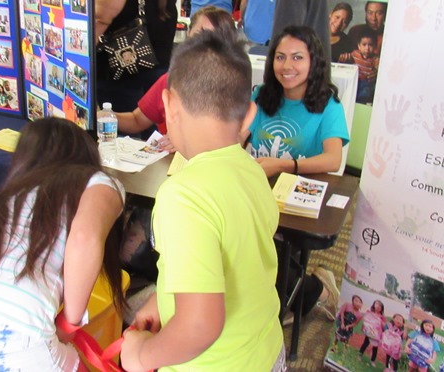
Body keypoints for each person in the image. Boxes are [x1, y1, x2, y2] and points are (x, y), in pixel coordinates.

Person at [120, 30, 286, 371]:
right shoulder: (253, 172)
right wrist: (162, 299)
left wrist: (141, 356)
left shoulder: (182, 196)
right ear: (250, 114)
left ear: (169, 105)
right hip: (266, 352)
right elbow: (236, 263)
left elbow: (200, 326)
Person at [0, 118, 127, 370]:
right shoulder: (98, 182)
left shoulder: (10, 196)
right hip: (18, 337)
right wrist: (69, 323)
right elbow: (84, 238)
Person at [239, 25, 349, 322]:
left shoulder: (328, 104)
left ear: (314, 62)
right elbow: (238, 136)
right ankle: (300, 292)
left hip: (297, 202)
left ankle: (317, 291)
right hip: (257, 191)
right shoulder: (262, 95)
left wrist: (286, 165)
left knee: (257, 251)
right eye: (280, 57)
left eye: (298, 58)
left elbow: (333, 159)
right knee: (238, 240)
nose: (287, 66)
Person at [112, 5, 236, 152]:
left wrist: (187, 139)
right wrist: (104, 116)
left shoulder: (232, 90)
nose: (205, 45)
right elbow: (137, 120)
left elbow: (234, 141)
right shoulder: (170, 81)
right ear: (188, 34)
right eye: (199, 35)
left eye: (215, 40)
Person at [96, 0, 177, 137]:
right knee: (151, 130)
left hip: (121, 72)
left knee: (122, 133)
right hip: (157, 61)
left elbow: (100, 19)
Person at [340, 28, 379, 105]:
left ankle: (360, 100)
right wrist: (344, 58)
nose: (367, 48)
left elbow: (379, 68)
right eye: (364, 45)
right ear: (359, 46)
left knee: (367, 90)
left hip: (367, 83)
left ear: (375, 46)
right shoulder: (355, 54)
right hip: (356, 81)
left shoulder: (374, 58)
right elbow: (347, 59)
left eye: (370, 45)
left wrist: (377, 70)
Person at [358, 299, 387, 367]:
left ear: (382, 308)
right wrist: (363, 327)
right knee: (365, 343)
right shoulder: (370, 312)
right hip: (369, 332)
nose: (378, 306)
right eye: (376, 304)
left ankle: (373, 360)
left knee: (375, 347)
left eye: (380, 305)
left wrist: (382, 323)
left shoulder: (382, 316)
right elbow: (365, 321)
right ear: (373, 305)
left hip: (376, 334)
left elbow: (384, 326)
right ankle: (360, 355)